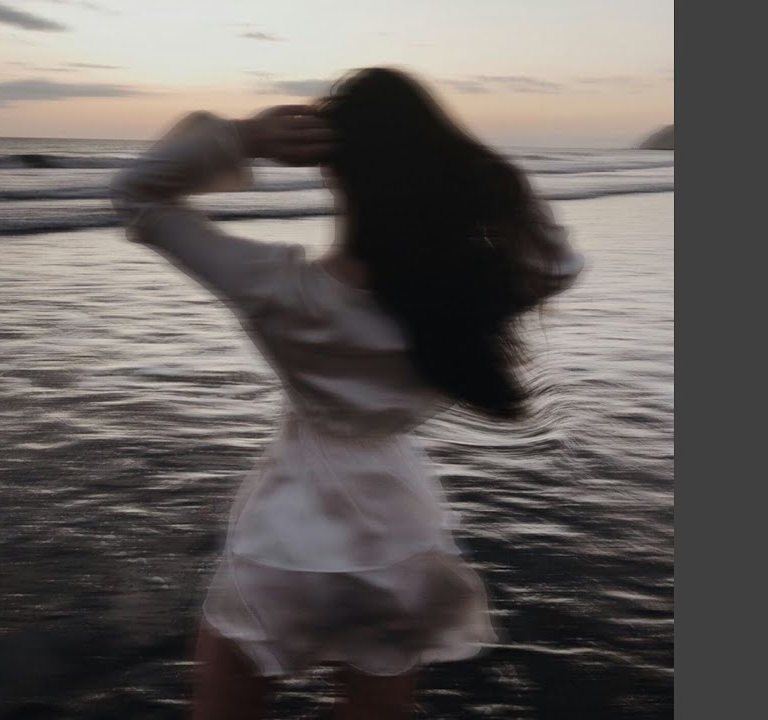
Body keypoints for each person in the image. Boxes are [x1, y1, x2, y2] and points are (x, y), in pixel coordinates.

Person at [111, 67, 583, 720]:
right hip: (397, 536)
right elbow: (560, 263)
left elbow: (136, 195)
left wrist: (244, 139)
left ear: (332, 169)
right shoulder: (463, 296)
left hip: (284, 540)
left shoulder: (280, 287)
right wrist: (484, 170)